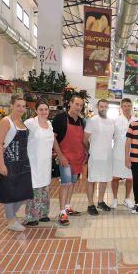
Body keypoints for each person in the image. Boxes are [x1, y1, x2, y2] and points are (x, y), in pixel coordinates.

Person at [0, 95, 33, 232]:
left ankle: (10, 213)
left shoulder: (22, 122)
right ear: (12, 106)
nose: (21, 109)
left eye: (23, 106)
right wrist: (1, 164)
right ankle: (11, 220)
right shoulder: (6, 121)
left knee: (24, 193)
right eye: (18, 106)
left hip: (23, 162)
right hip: (9, 162)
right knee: (10, 192)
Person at [52, 95, 86, 226]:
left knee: (72, 183)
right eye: (76, 104)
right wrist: (60, 155)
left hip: (78, 157)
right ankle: (62, 213)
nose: (78, 107)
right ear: (70, 104)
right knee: (65, 184)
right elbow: (53, 138)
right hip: (65, 157)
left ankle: (67, 206)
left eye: (81, 105)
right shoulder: (60, 118)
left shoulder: (81, 121)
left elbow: (82, 140)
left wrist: (85, 154)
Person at [24, 99, 55, 226]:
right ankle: (31, 217)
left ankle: (43, 214)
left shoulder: (49, 124)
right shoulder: (30, 123)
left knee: (44, 188)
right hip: (33, 161)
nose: (43, 112)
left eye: (46, 109)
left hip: (46, 162)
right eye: (41, 109)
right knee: (34, 188)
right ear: (36, 110)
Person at [84, 99, 114, 215]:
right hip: (95, 156)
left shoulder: (111, 121)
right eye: (102, 106)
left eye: (106, 107)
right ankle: (90, 204)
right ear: (98, 107)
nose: (103, 108)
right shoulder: (92, 120)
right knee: (92, 180)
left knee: (104, 179)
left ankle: (100, 201)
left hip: (107, 156)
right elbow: (85, 139)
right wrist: (89, 150)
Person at [111, 98, 137, 209]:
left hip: (132, 153)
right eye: (125, 106)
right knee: (115, 177)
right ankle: (115, 199)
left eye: (128, 105)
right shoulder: (116, 120)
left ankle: (127, 199)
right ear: (121, 108)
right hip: (117, 152)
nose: (127, 108)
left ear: (131, 107)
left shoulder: (136, 120)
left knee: (130, 177)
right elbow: (110, 135)